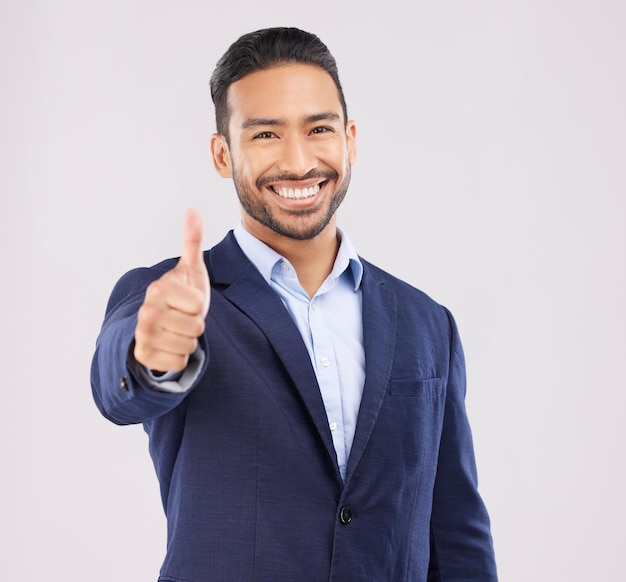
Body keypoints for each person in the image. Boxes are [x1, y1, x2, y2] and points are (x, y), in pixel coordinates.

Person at [91, 27, 498, 581]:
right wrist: (154, 353)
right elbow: (121, 384)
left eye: (319, 129)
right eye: (264, 136)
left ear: (350, 140)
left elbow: (456, 530)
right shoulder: (174, 296)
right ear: (222, 153)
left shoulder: (428, 324)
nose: (299, 161)